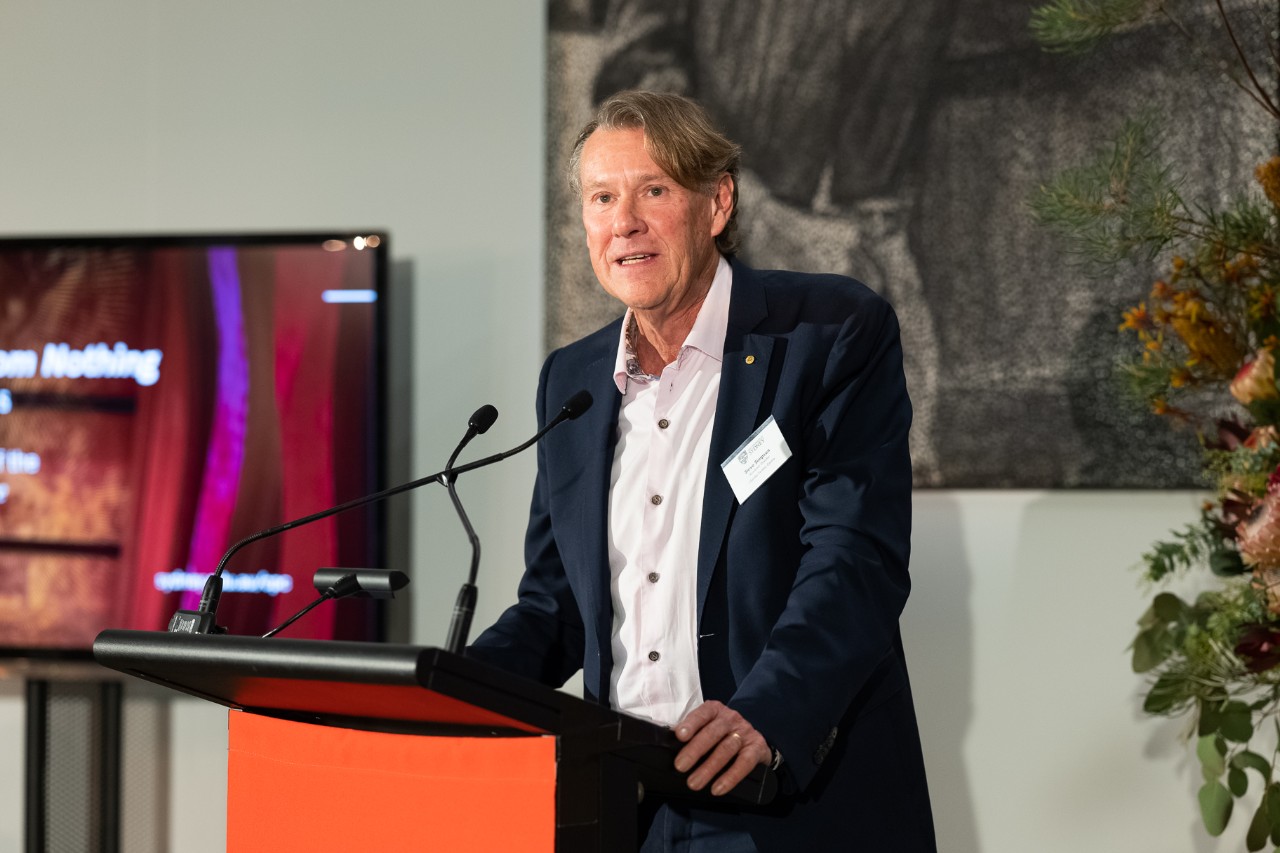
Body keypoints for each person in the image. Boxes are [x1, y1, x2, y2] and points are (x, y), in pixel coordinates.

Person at [468, 90, 934, 851]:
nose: (624, 222)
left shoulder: (827, 334)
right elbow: (557, 609)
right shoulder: (572, 380)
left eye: (653, 191)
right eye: (602, 198)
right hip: (622, 807)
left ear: (717, 202)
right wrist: (447, 695)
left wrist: (767, 713)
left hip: (781, 796)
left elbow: (854, 560)